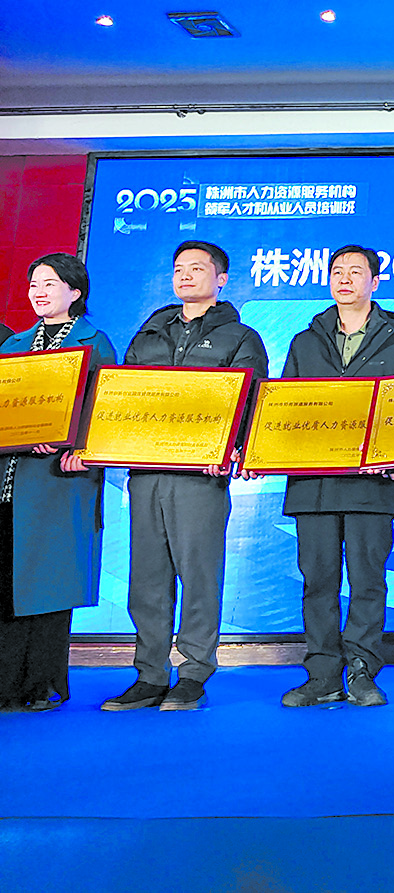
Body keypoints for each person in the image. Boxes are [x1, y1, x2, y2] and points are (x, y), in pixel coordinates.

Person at [101, 241, 269, 712]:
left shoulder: (240, 337)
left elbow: (250, 400)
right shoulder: (150, 333)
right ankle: (149, 674)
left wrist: (230, 448)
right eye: (179, 269)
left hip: (200, 475)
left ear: (221, 279)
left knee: (198, 576)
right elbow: (123, 396)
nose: (186, 275)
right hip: (147, 472)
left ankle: (194, 673)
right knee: (146, 578)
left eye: (197, 268)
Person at [275, 245, 394, 708]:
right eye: (337, 271)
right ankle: (322, 674)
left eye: (356, 272)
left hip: (372, 481)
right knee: (317, 582)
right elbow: (284, 410)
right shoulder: (305, 341)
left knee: (367, 581)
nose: (344, 279)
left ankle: (361, 670)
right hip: (313, 484)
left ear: (374, 283)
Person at [0, 255, 116, 712]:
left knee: (48, 584)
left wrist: (79, 446)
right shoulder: (14, 344)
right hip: (12, 477)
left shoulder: (94, 342)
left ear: (75, 291)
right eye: (34, 284)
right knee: (8, 583)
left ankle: (42, 684)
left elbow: (104, 406)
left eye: (50, 283)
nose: (39, 291)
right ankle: (7, 683)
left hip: (59, 478)